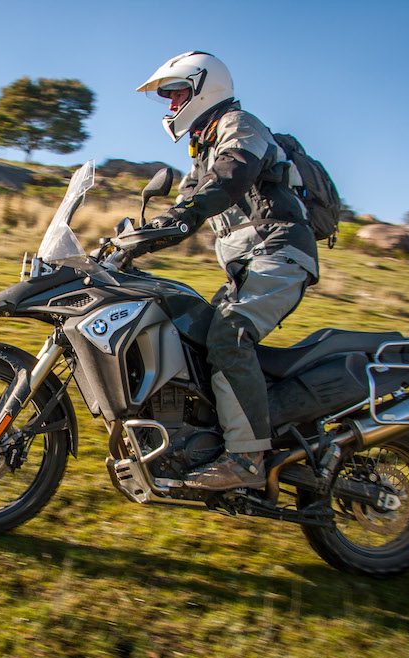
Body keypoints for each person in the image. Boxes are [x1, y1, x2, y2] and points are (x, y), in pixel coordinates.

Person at [133, 51, 320, 491]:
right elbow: (185, 210)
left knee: (228, 336)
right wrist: (129, 243)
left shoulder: (241, 127)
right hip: (251, 265)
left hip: (280, 252)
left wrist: (180, 217)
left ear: (204, 87)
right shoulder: (202, 153)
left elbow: (229, 180)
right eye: (168, 97)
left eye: (177, 93)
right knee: (189, 331)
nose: (171, 105)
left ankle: (247, 460)